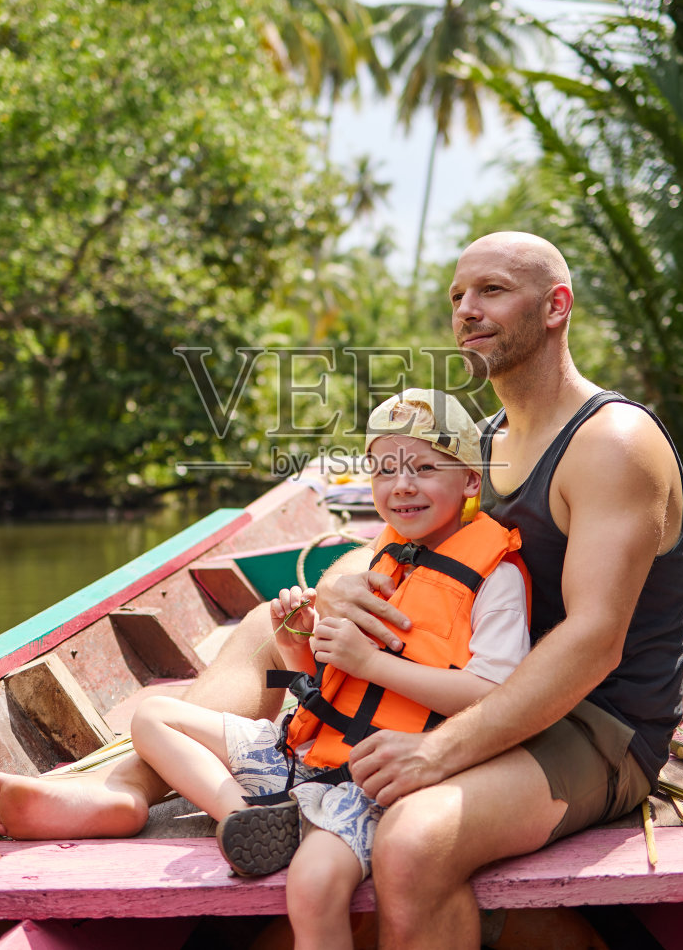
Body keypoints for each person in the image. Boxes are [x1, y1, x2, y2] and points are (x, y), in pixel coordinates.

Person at [0, 232, 683, 950]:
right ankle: (129, 789)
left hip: (594, 725)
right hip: (486, 674)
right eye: (457, 296)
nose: (467, 309)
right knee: (276, 621)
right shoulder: (489, 438)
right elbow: (406, 549)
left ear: (556, 305)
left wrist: (438, 755)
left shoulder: (611, 443)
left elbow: (594, 642)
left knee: (412, 838)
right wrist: (341, 590)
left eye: (493, 290)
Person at [127, 389, 530, 950]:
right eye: (384, 470)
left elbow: (490, 695)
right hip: (301, 753)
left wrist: (368, 662)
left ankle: (279, 824)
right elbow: (324, 687)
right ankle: (243, 816)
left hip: (366, 779)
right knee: (153, 717)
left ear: (469, 482)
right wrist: (297, 643)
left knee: (312, 888)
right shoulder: (382, 559)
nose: (402, 485)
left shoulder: (496, 579)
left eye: (423, 468)